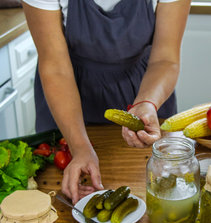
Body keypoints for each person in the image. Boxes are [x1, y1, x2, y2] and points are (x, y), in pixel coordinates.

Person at [22, 0, 191, 203]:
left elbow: (165, 59)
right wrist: (79, 148)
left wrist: (147, 103)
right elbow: (55, 66)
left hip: (145, 87)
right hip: (67, 97)